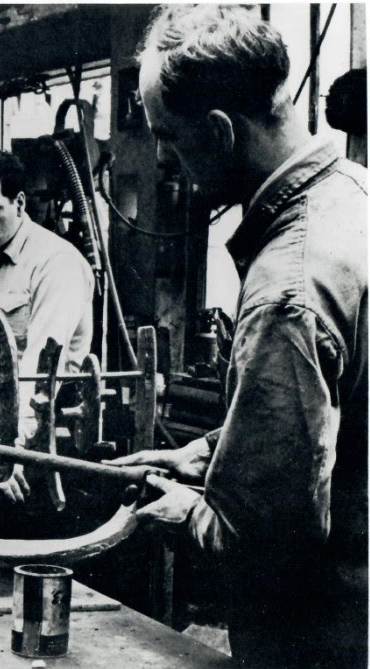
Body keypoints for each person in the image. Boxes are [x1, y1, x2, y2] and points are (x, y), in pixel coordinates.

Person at [107, 5, 367, 668]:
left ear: (220, 134)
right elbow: (341, 422)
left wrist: (183, 512)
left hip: (324, 639)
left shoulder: (288, 287)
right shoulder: (353, 198)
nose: (162, 157)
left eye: (167, 136)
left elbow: (267, 543)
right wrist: (205, 452)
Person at [0, 147, 95, 508]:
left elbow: (40, 373)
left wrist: (10, 455)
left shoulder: (56, 265)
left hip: (47, 427)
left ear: (20, 203)